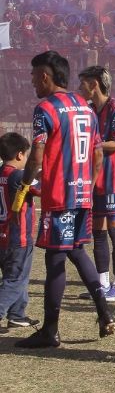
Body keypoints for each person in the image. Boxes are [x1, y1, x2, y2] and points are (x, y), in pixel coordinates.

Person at [13, 50, 115, 348]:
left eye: (34, 76)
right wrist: (87, 185)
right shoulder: (85, 106)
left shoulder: (44, 108)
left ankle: (50, 330)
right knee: (76, 250)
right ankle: (104, 311)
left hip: (59, 196)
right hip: (83, 194)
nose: (32, 82)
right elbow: (98, 154)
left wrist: (26, 179)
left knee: (55, 258)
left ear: (45, 76)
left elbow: (38, 153)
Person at [76, 66, 115, 303]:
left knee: (114, 228)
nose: (79, 88)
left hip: (114, 177)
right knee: (97, 230)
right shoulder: (90, 110)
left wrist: (92, 145)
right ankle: (101, 283)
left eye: (83, 84)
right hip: (97, 176)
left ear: (94, 84)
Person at [0, 133, 40, 333]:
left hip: (3, 236)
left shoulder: (2, 173)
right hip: (19, 236)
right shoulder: (17, 176)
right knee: (15, 279)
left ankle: (16, 314)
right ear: (19, 155)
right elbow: (39, 189)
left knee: (17, 276)